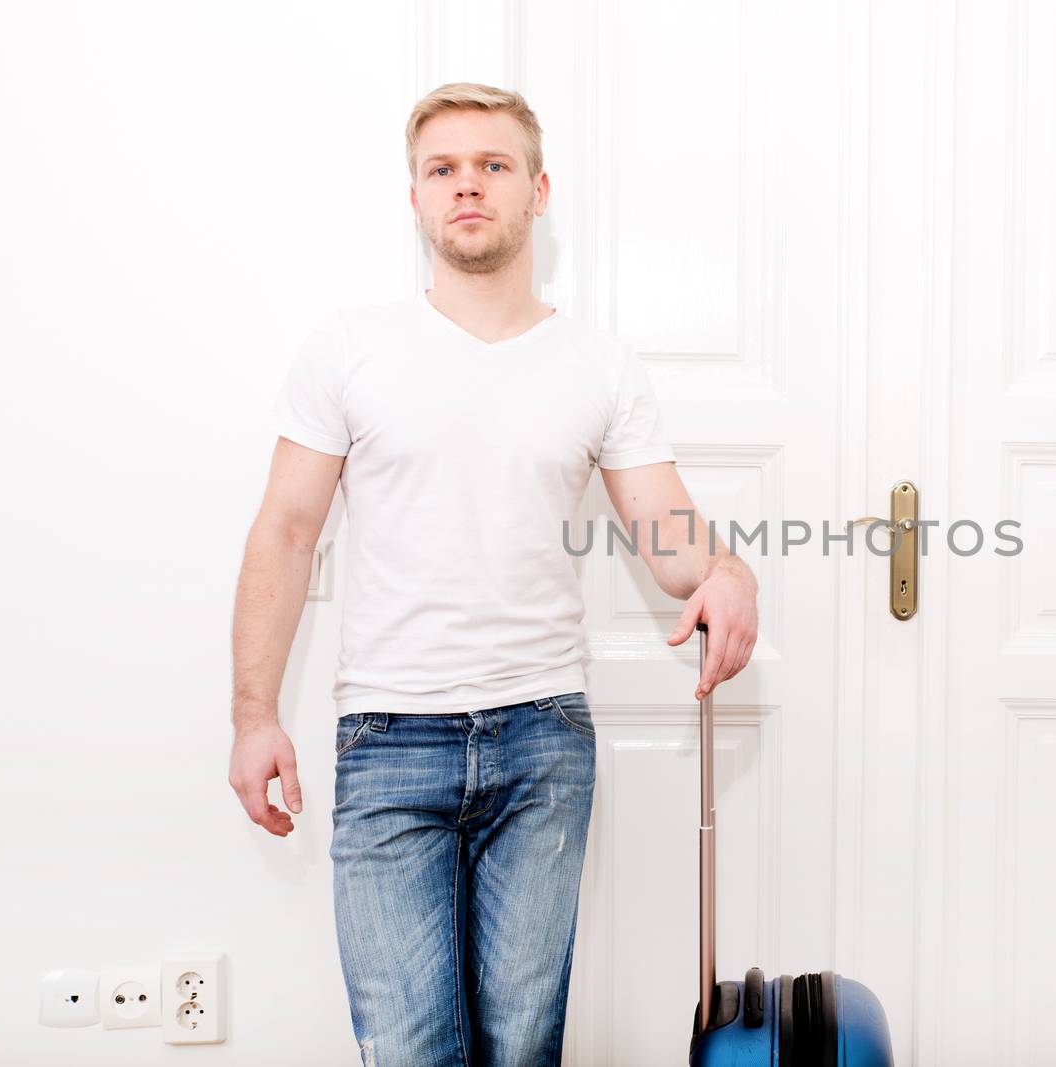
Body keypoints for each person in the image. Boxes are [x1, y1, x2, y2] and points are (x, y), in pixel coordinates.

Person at [226, 81, 759, 1066]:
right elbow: (285, 533)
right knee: (414, 1047)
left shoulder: (597, 363)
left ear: (537, 189)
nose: (467, 185)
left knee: (521, 1046)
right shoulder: (350, 346)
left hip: (541, 737)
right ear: (417, 198)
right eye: (443, 169)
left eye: (492, 165)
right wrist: (254, 716)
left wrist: (726, 571)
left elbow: (669, 532)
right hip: (387, 736)